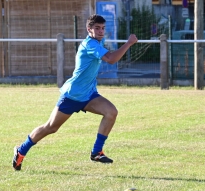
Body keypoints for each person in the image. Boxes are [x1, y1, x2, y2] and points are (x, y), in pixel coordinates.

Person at [12, 14, 138, 170]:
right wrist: (129, 43)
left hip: (89, 95)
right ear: (89, 29)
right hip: (72, 95)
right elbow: (111, 59)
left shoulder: (99, 41)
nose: (100, 31)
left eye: (103, 28)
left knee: (111, 112)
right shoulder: (90, 45)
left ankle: (97, 151)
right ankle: (21, 150)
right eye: (97, 28)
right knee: (50, 127)